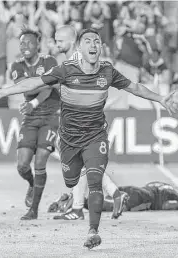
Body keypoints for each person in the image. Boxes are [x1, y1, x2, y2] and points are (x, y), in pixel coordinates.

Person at [0, 28, 178, 249]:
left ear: (100, 47)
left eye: (97, 41)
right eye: (88, 41)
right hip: (69, 139)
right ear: (80, 47)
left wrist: (160, 98)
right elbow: (34, 83)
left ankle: (93, 231)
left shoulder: (107, 72)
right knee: (71, 179)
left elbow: (135, 88)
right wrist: (1, 92)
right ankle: (75, 196)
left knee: (94, 180)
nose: (93, 45)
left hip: (95, 136)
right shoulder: (65, 70)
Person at [53, 25, 128, 221]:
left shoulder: (77, 61)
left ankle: (96, 200)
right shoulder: (69, 62)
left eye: (60, 41)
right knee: (83, 165)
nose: (56, 44)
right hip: (72, 120)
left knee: (86, 163)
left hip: (86, 123)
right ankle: (86, 203)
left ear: (72, 42)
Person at [10, 30, 60, 220]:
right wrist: (42, 85)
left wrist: (33, 101)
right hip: (30, 117)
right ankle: (32, 183)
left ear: (37, 44)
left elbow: (47, 88)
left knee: (40, 161)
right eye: (22, 44)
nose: (25, 47)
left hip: (51, 115)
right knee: (22, 165)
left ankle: (34, 210)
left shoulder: (49, 61)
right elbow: (31, 86)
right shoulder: (16, 65)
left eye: (29, 43)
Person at [48, 179, 178, 213]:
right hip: (144, 199)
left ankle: (73, 198)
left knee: (110, 199)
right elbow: (168, 205)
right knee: (113, 207)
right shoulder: (177, 200)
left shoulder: (166, 187)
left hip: (136, 189)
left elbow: (153, 183)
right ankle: (82, 202)